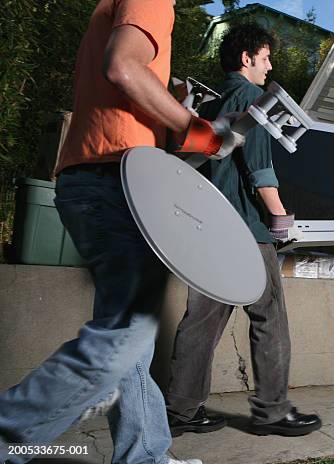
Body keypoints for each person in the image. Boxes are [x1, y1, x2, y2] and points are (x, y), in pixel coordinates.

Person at [0, 1, 242, 463]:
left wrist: (170, 98)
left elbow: (123, 79)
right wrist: (202, 133)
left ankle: (146, 455)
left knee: (131, 340)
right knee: (120, 341)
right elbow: (123, 68)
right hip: (112, 181)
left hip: (96, 178)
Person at [165, 23, 322, 438]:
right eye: (265, 57)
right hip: (247, 229)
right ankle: (272, 411)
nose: (270, 66)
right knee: (269, 316)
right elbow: (258, 166)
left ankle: (181, 409)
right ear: (246, 58)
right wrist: (280, 217)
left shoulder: (216, 100)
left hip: (210, 224)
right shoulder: (253, 97)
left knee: (203, 319)